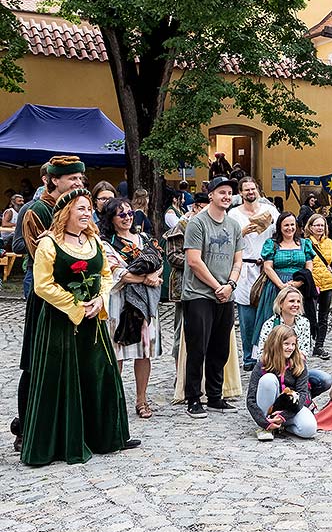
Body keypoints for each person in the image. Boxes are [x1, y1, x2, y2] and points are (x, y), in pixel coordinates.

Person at [21, 187, 138, 465]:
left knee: (97, 373)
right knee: (62, 377)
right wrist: (75, 306)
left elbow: (105, 274)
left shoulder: (93, 240)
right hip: (60, 324)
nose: (87, 214)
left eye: (88, 208)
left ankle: (104, 435)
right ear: (66, 213)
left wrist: (99, 299)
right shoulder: (49, 243)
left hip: (92, 324)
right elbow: (43, 285)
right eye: (81, 209)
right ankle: (59, 441)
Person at [11, 157, 83, 453]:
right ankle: (27, 427)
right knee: (36, 361)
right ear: (53, 180)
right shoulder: (35, 209)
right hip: (43, 294)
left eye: (80, 179)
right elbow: (21, 247)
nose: (79, 184)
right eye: (72, 179)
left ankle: (65, 425)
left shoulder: (73, 208)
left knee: (69, 360)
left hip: (74, 293)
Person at [181, 176, 244, 418]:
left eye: (229, 193)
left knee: (220, 348)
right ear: (211, 195)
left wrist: (230, 285)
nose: (226, 196)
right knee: (198, 347)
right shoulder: (198, 223)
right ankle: (193, 398)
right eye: (222, 192)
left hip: (225, 294)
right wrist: (217, 286)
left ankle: (215, 396)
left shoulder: (234, 226)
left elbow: (238, 260)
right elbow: (194, 261)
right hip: (199, 294)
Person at [100, 197, 164, 419]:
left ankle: (141, 399)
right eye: (122, 214)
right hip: (120, 302)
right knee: (117, 351)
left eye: (130, 213)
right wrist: (146, 279)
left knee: (143, 351)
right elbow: (118, 272)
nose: (127, 218)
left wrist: (153, 275)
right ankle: (114, 399)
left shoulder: (144, 238)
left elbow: (159, 261)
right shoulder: (107, 243)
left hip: (145, 302)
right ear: (111, 219)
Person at [229, 177, 280, 370]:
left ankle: (267, 355)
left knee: (268, 313)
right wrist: (241, 232)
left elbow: (280, 232)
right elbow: (228, 239)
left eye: (253, 189)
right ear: (241, 193)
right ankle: (249, 357)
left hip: (267, 266)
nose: (250, 192)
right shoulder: (234, 215)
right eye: (246, 190)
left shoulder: (270, 211)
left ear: (258, 190)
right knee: (247, 316)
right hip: (245, 267)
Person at [250, 211, 312, 354]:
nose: (289, 228)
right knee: (272, 318)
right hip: (275, 285)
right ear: (279, 227)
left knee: (298, 319)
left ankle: (296, 352)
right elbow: (267, 267)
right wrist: (281, 286)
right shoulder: (272, 244)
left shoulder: (305, 243)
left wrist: (298, 283)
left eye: (292, 225)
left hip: (299, 286)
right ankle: (269, 353)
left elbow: (309, 267)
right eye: (286, 225)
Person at [256, 285, 332, 397]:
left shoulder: (304, 323)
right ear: (281, 303)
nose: (296, 305)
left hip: (296, 371)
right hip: (274, 370)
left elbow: (304, 353)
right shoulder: (270, 324)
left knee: (325, 379)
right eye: (291, 301)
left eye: (298, 301)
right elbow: (262, 355)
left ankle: (302, 398)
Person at [247, 324, 319, 441]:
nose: (290, 348)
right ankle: (268, 426)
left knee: (309, 429)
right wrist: (262, 421)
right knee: (268, 379)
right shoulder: (262, 365)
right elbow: (250, 399)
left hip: (290, 407)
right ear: (275, 344)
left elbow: (302, 393)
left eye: (293, 344)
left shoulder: (299, 364)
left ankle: (282, 426)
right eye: (286, 344)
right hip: (269, 405)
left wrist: (283, 416)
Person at [163, 192, 209, 363]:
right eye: (203, 208)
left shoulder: (212, 225)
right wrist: (198, 262)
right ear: (195, 207)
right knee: (182, 333)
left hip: (207, 287)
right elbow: (173, 256)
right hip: (184, 287)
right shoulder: (182, 226)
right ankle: (179, 373)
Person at [305, 213, 332, 359]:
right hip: (311, 283)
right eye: (317, 225)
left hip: (327, 283)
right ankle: (307, 342)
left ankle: (319, 345)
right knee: (310, 315)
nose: (319, 228)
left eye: (322, 225)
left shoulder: (329, 242)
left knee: (324, 316)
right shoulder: (305, 242)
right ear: (310, 227)